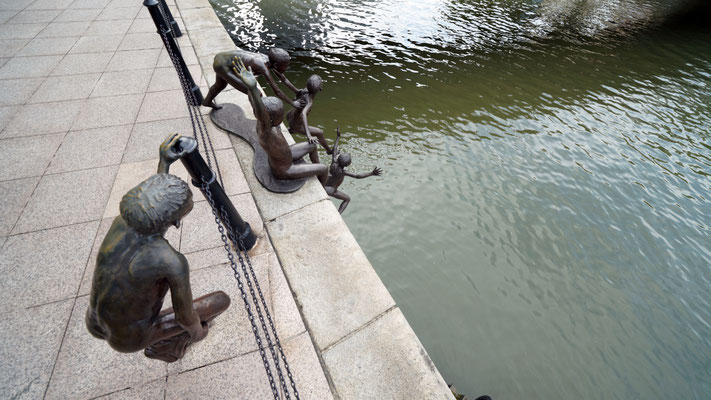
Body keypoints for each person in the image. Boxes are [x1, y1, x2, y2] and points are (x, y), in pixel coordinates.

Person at [85, 134, 230, 363]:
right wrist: (198, 333)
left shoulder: (122, 223)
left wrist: (164, 163)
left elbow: (151, 208)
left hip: (94, 321)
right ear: (175, 222)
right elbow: (185, 317)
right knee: (221, 300)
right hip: (130, 339)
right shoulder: (170, 261)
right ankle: (165, 347)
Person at [232, 57, 328, 185]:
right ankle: (323, 187)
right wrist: (251, 88)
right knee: (324, 169)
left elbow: (256, 106)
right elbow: (261, 113)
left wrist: (251, 88)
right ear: (270, 120)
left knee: (313, 145)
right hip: (284, 169)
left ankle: (313, 170)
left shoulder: (265, 125)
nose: (284, 116)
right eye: (280, 115)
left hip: (285, 156)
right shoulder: (267, 130)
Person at [202, 48, 304, 111]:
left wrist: (297, 91)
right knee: (255, 92)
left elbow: (283, 79)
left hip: (222, 59)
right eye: (285, 66)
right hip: (223, 65)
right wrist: (292, 103)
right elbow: (276, 90)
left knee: (220, 85)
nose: (286, 68)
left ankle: (207, 102)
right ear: (277, 64)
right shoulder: (262, 65)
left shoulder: (271, 62)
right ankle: (259, 115)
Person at [324, 128, 382, 213]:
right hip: (331, 190)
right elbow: (358, 176)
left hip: (324, 184)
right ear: (347, 165)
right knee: (347, 199)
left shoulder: (333, 163)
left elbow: (335, 149)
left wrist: (338, 137)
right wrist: (371, 173)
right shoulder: (343, 172)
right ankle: (338, 214)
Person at [286, 74, 333, 155]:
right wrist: (309, 135)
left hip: (289, 116)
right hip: (296, 124)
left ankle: (288, 130)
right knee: (319, 132)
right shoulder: (309, 101)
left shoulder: (302, 91)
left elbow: (286, 82)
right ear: (320, 89)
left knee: (295, 127)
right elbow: (303, 114)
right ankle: (329, 150)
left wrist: (277, 72)